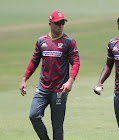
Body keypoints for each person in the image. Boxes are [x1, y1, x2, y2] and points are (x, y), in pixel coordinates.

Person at [20, 11, 80, 140]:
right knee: (34, 116)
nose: (61, 26)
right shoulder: (42, 41)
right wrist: (25, 79)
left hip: (59, 90)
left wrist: (70, 81)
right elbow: (34, 61)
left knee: (57, 125)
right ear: (50, 24)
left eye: (62, 23)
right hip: (42, 89)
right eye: (58, 23)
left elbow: (75, 62)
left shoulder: (69, 41)